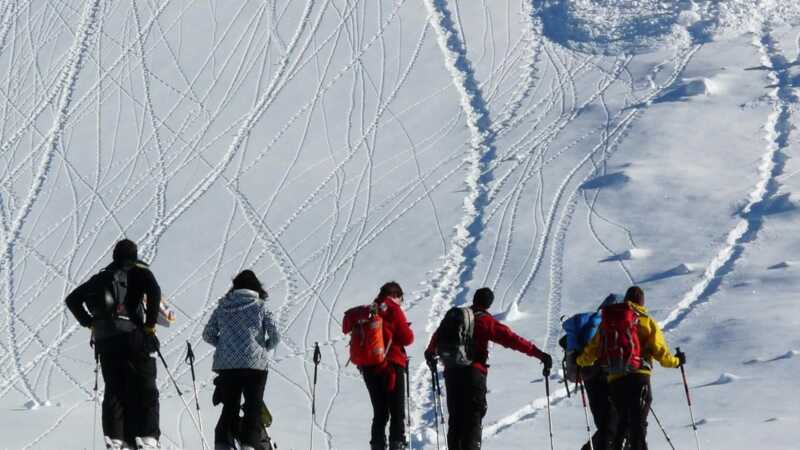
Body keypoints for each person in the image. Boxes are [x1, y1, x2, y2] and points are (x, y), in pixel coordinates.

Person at [425, 287, 553, 450]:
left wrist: (430, 352)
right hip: (473, 375)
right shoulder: (485, 321)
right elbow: (513, 340)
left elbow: (437, 336)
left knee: (456, 421)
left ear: (474, 299)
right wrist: (539, 354)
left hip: (451, 374)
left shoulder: (457, 318)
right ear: (489, 304)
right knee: (472, 420)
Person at [64, 239, 162, 450]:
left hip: (105, 341)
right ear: (134, 256)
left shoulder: (102, 276)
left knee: (115, 390)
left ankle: (117, 439)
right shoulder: (139, 271)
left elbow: (72, 300)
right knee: (145, 387)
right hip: (132, 336)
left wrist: (90, 323)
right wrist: (150, 327)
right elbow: (154, 292)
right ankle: (147, 437)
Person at [577, 286, 686, 450]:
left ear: (625, 300)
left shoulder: (609, 322)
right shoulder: (645, 320)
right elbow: (660, 352)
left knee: (622, 424)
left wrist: (580, 360)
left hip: (615, 381)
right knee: (638, 426)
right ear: (642, 301)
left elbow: (592, 351)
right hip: (639, 377)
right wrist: (676, 362)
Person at [202, 270, 280, 450]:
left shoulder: (222, 307)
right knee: (253, 406)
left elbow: (207, 334)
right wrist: (263, 347)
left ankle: (223, 443)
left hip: (228, 366)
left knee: (230, 406)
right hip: (255, 365)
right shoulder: (261, 307)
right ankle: (249, 445)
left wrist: (224, 347)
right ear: (256, 288)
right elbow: (275, 335)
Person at [344, 281, 414, 450]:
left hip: (369, 368)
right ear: (395, 295)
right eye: (401, 298)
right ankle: (397, 445)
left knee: (380, 413)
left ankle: (377, 446)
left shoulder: (370, 309)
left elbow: (347, 328)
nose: (400, 302)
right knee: (397, 412)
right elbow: (407, 338)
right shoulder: (392, 308)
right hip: (391, 367)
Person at [562, 294, 624, 450]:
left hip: (590, 380)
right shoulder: (602, 324)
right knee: (612, 426)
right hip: (604, 379)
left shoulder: (594, 322)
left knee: (607, 425)